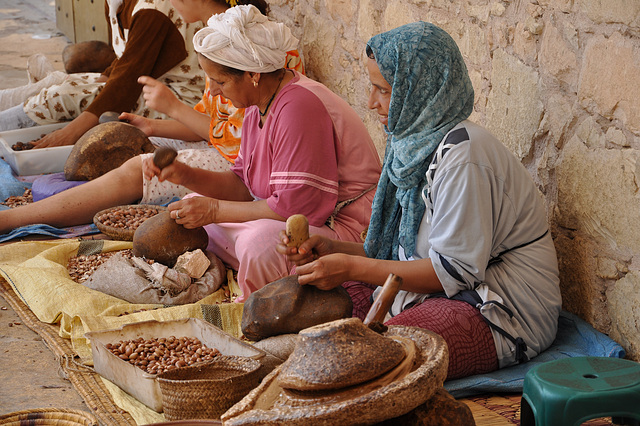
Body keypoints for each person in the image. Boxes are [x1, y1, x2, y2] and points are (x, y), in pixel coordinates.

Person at [0, 5, 382, 304]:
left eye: (218, 81)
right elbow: (242, 185)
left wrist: (214, 211)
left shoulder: (299, 106)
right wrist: (184, 175)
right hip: (291, 213)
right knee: (192, 206)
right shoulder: (260, 103)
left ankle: (262, 305)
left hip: (342, 228)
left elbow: (296, 213)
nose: (213, 93)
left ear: (251, 75)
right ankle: (235, 274)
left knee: (257, 243)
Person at [277, 22, 562, 380]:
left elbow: (451, 273)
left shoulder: (465, 157)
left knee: (371, 360)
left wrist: (349, 268)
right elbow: (396, 253)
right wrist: (333, 250)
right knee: (294, 306)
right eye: (373, 88)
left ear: (419, 90)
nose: (372, 103)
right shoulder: (409, 145)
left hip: (497, 310)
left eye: (383, 90)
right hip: (424, 292)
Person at [0, 0, 209, 147]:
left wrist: (69, 133)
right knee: (66, 84)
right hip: (151, 86)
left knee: (63, 96)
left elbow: (127, 81)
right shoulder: (116, 3)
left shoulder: (152, 10)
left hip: (183, 102)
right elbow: (124, 59)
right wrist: (90, 85)